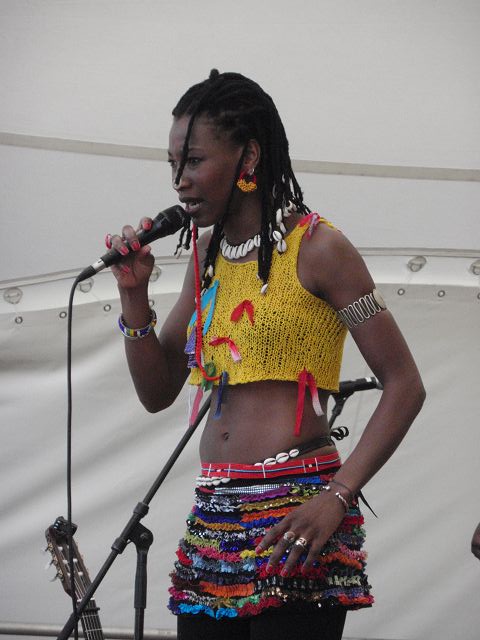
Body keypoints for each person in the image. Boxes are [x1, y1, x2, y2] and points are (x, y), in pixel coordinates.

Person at [106, 70, 425, 640]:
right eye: (173, 163)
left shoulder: (320, 249)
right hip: (215, 517)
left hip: (298, 513)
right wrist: (133, 297)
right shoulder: (206, 256)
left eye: (194, 161)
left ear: (248, 156)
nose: (179, 181)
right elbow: (157, 392)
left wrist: (338, 496)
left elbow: (404, 385)